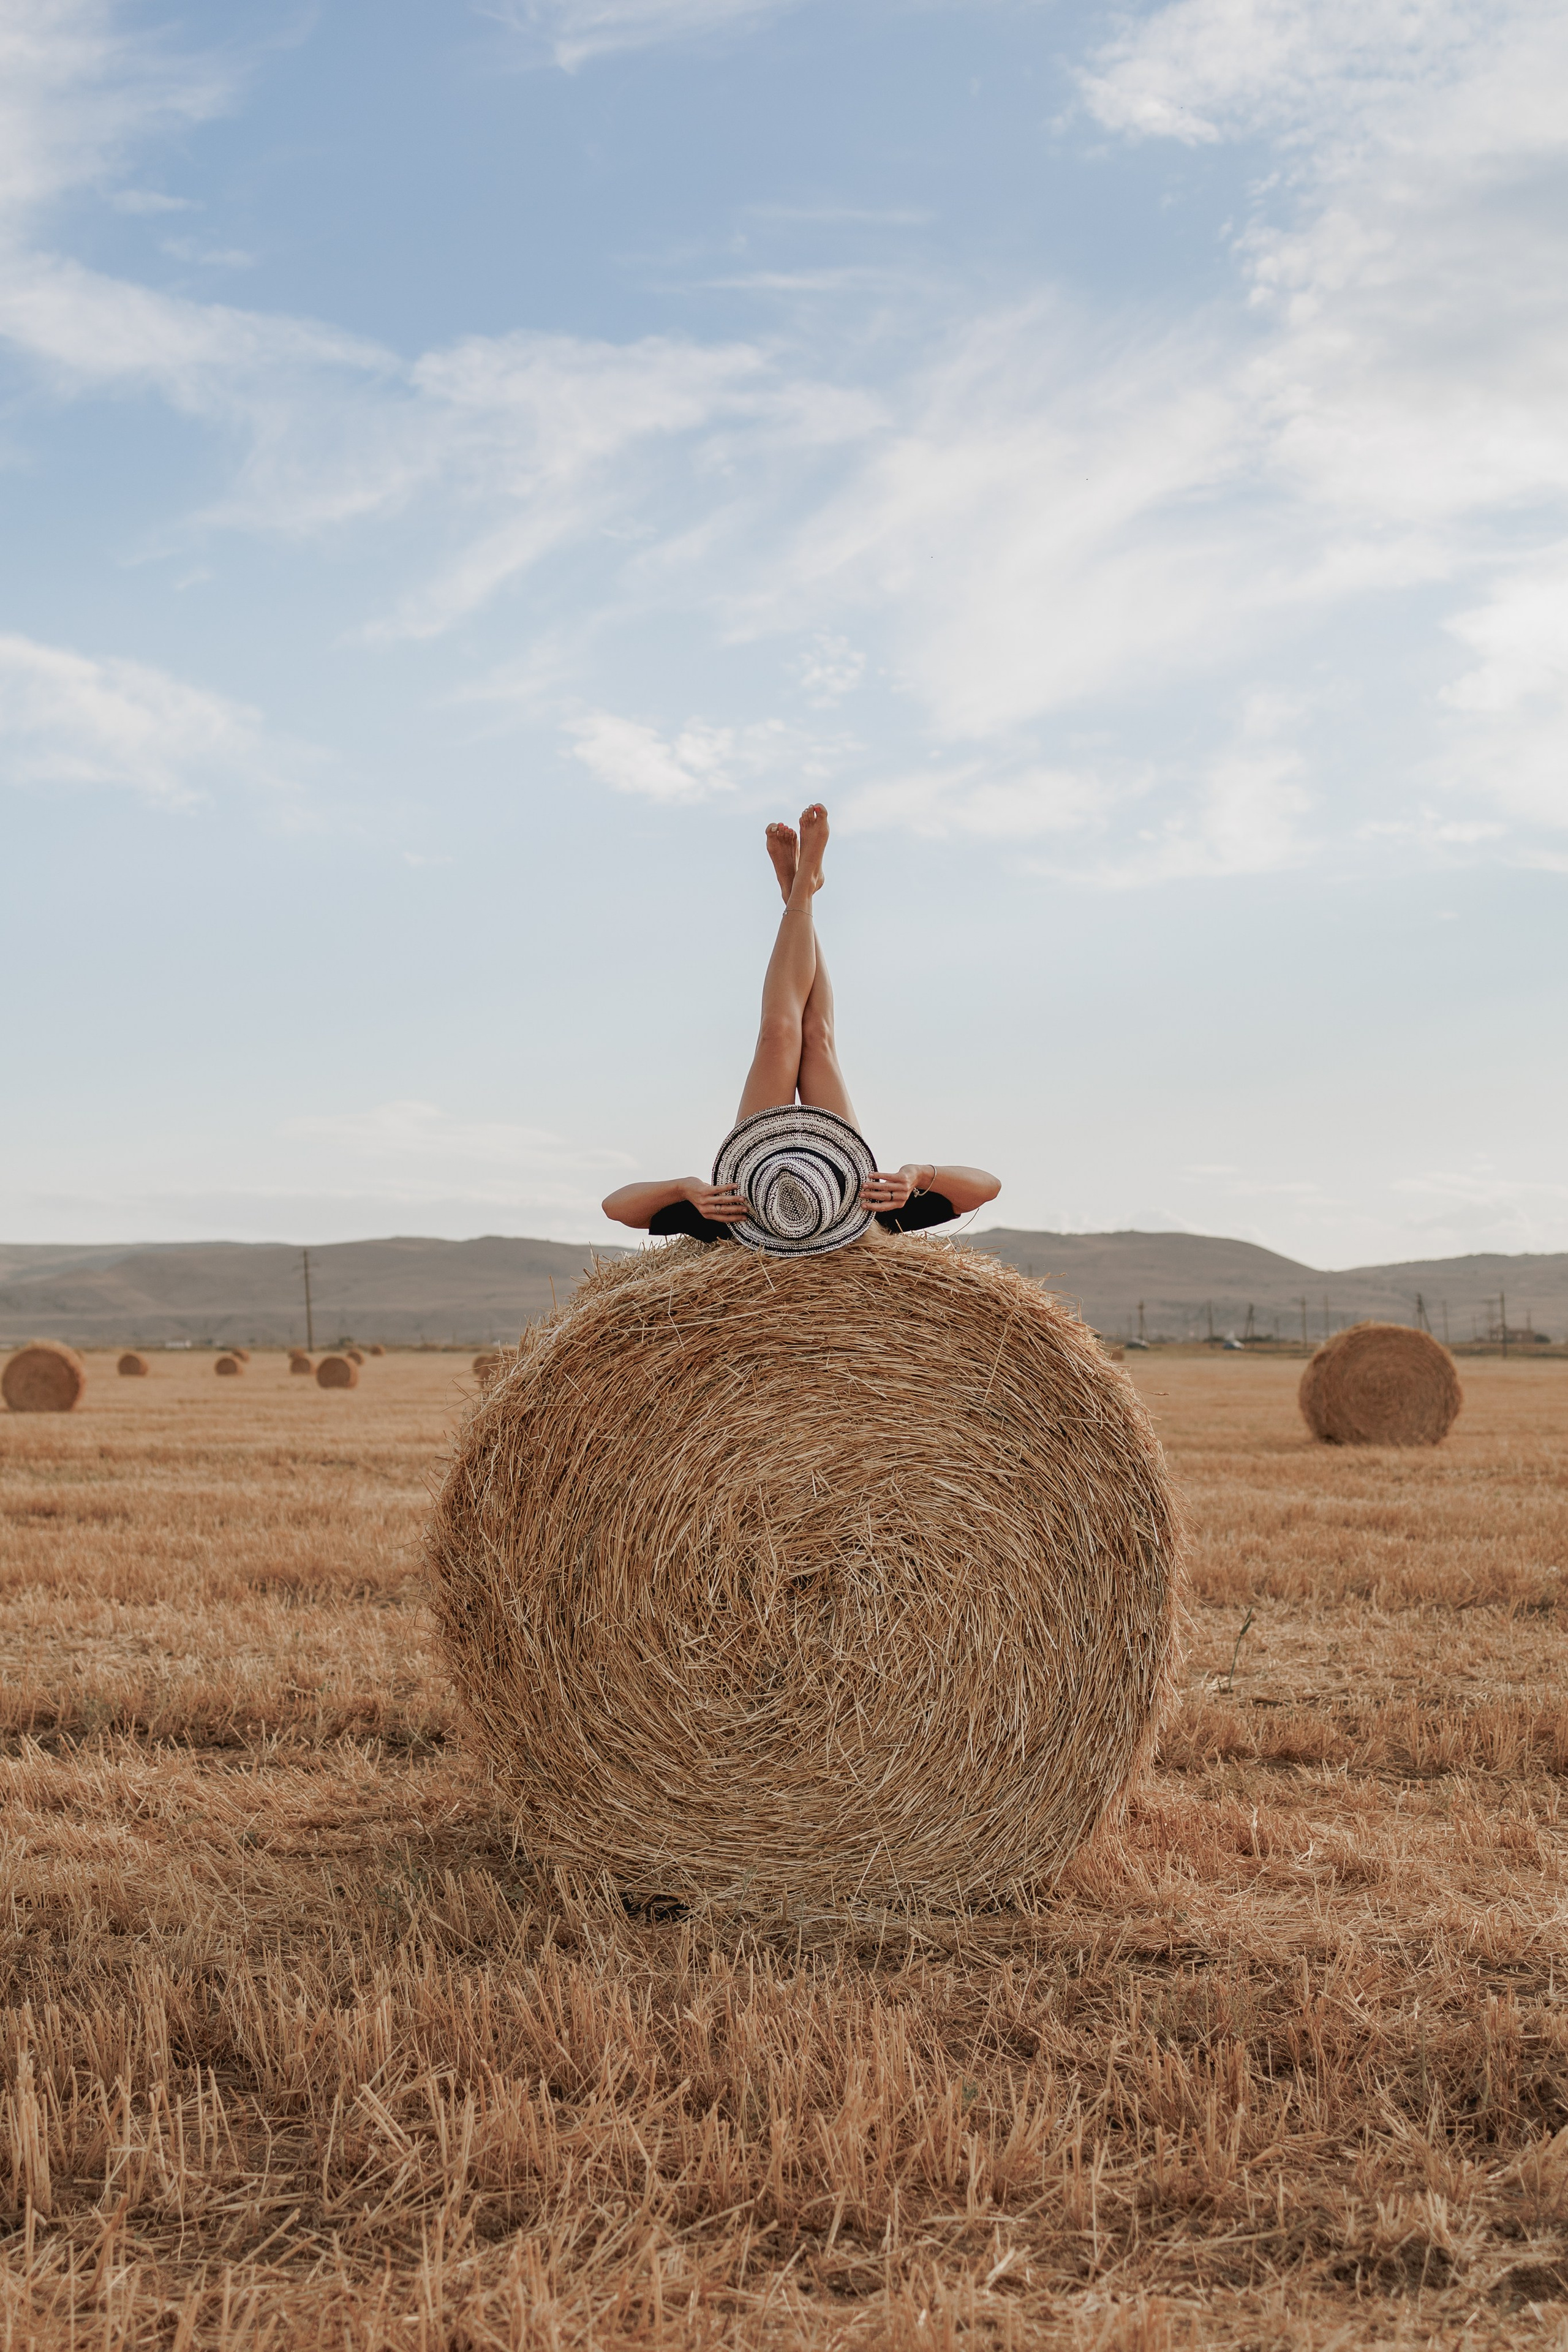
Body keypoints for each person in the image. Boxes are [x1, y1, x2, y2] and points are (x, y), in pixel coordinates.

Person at [602, 805, 1000, 1256]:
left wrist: (685, 1188)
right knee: (818, 1040)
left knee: (778, 1035)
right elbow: (987, 1188)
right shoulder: (870, 1209)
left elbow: (615, 1208)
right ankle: (803, 888)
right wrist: (916, 1174)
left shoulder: (734, 1219)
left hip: (757, 1179)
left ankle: (801, 890)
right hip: (834, 1179)